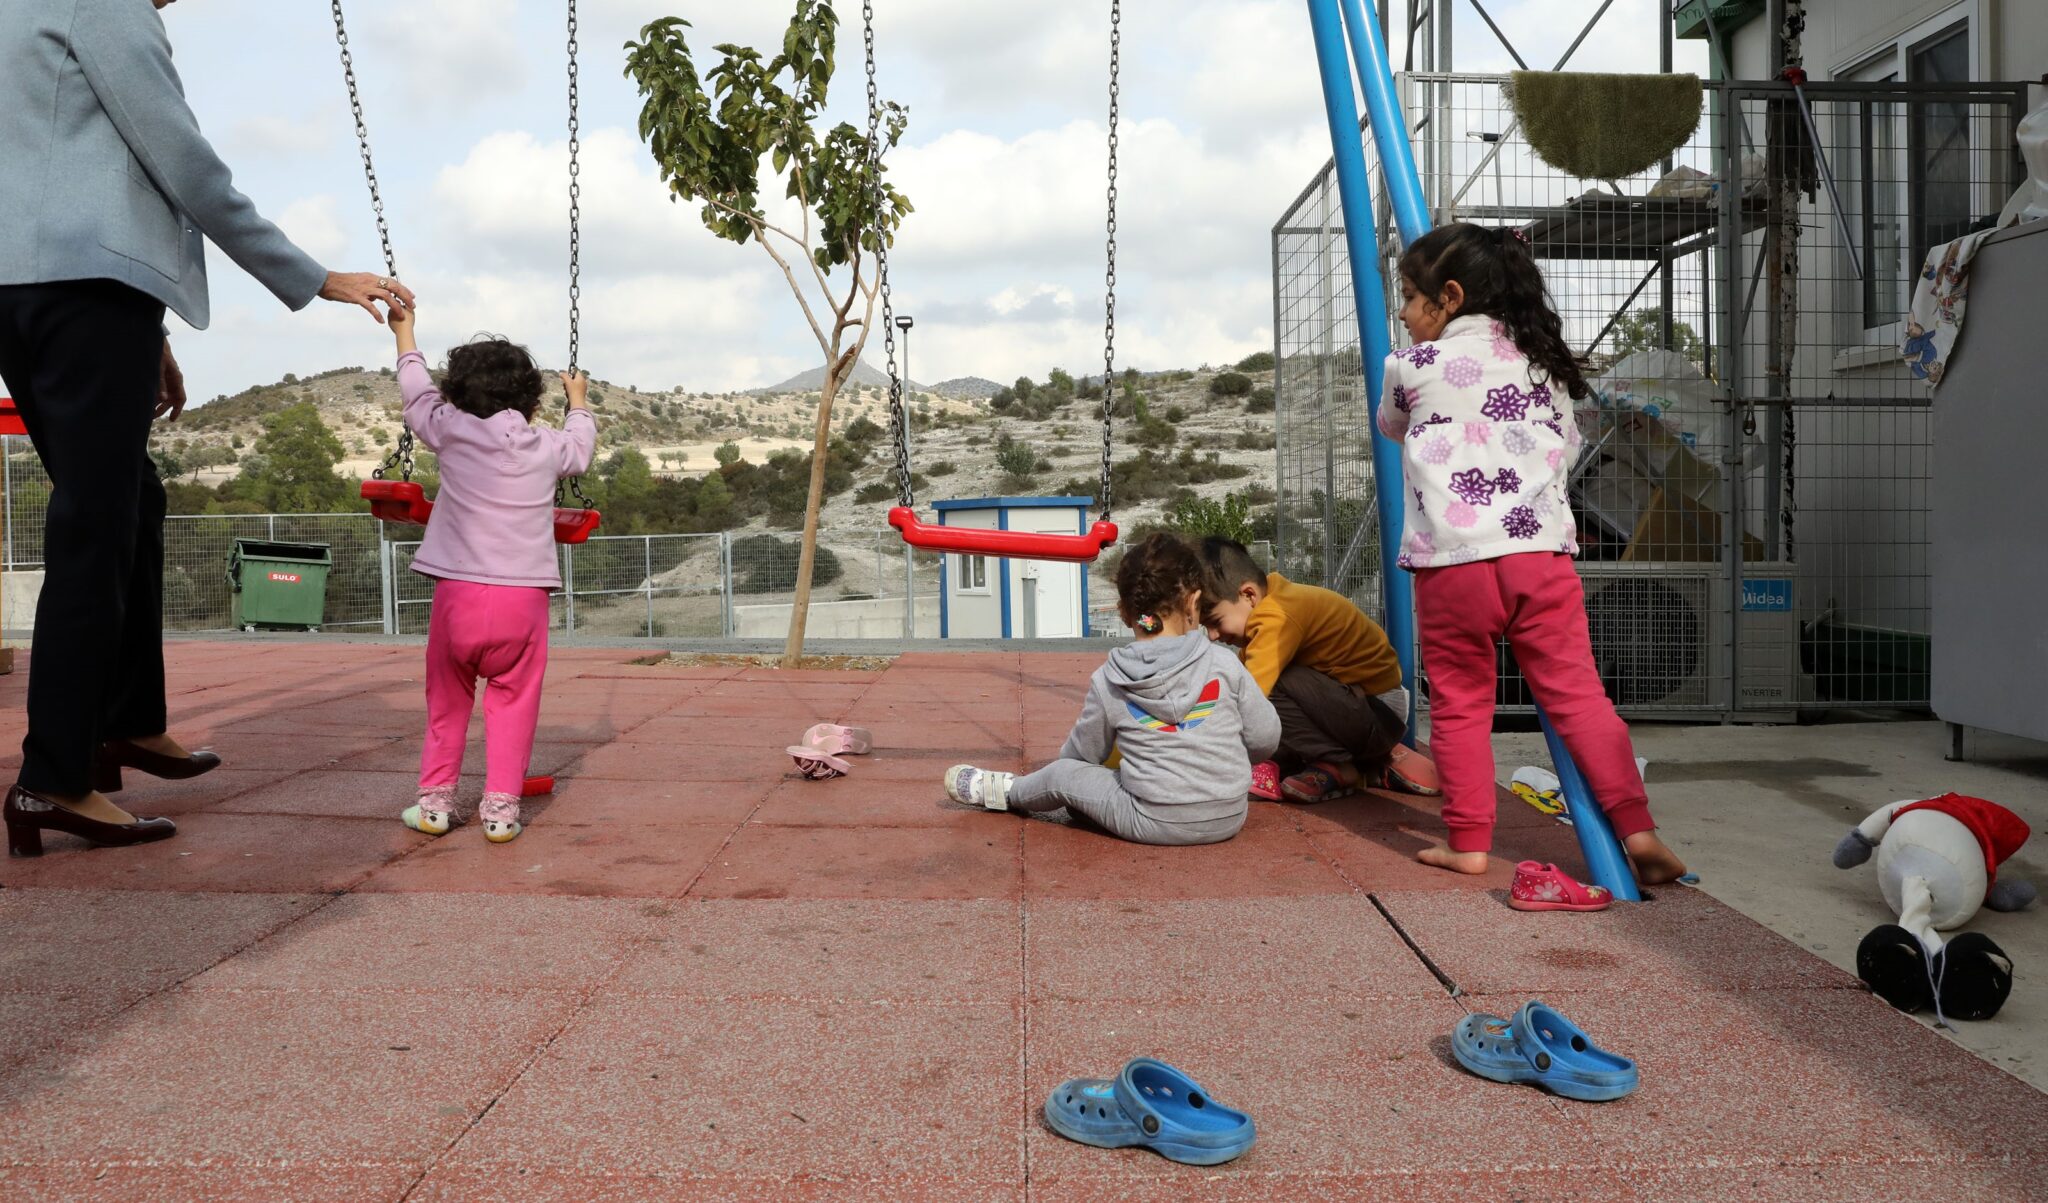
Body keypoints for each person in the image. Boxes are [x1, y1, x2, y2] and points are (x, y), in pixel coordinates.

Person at [0, 0, 415, 857]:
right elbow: (184, 163)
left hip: (31, 290)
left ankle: (122, 723)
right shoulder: (101, 5)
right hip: (82, 290)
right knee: (96, 522)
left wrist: (145, 333)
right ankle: (51, 778)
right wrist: (313, 276)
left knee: (128, 500)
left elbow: (53, 165)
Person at [1378, 222, 1686, 883]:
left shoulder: (1409, 366)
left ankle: (1468, 840)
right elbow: (1567, 447)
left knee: (1461, 703)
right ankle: (1638, 824)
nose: (1402, 313)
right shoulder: (1541, 364)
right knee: (1579, 696)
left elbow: (1392, 425)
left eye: (1408, 297)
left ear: (1449, 297)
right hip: (1537, 557)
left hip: (1452, 563)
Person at [386, 304, 594, 843]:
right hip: (522, 601)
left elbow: (415, 390)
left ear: (457, 394)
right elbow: (581, 450)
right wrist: (578, 402)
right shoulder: (546, 445)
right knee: (514, 701)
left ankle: (434, 805)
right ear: (530, 399)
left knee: (448, 702)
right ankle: (500, 813)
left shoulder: (449, 430)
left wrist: (405, 331)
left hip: (457, 596)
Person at [943, 533, 1279, 846]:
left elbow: (1081, 756)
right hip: (1228, 816)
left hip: (1152, 819)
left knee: (1065, 776)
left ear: (1123, 613)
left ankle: (1005, 792)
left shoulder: (1112, 678)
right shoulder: (1225, 663)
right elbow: (1266, 736)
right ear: (1193, 602)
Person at [1198, 537, 1439, 803]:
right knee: (1267, 695)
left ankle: (1339, 764)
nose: (1211, 635)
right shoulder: (1275, 605)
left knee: (1272, 688)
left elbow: (1248, 696)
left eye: (1215, 622)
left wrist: (1202, 745)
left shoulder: (1277, 617)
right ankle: (1359, 763)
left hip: (1377, 714)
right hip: (1364, 707)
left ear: (1249, 595)